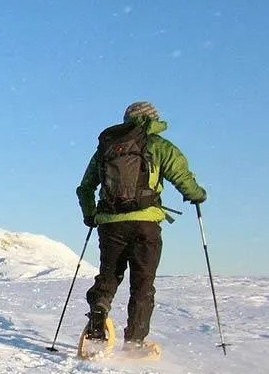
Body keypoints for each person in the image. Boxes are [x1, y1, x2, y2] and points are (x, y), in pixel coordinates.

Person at [76, 101, 207, 357]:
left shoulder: (107, 148)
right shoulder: (159, 146)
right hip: (146, 224)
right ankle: (135, 342)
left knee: (109, 275)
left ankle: (99, 312)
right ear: (152, 120)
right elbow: (182, 179)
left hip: (111, 224)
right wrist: (197, 195)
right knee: (143, 284)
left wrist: (91, 215)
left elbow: (85, 188)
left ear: (126, 119)